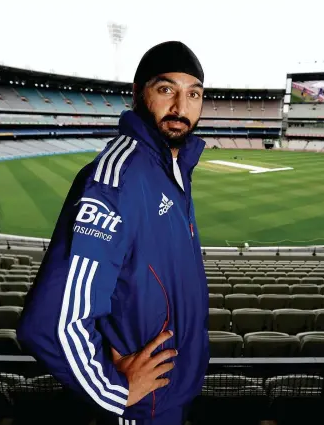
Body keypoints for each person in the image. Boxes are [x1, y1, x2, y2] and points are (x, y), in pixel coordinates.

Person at [17, 41, 209, 425]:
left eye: (193, 94)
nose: (180, 108)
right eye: (166, 89)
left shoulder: (173, 168)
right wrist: (114, 391)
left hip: (173, 395)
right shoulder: (118, 178)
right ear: (139, 93)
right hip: (141, 409)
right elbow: (50, 324)